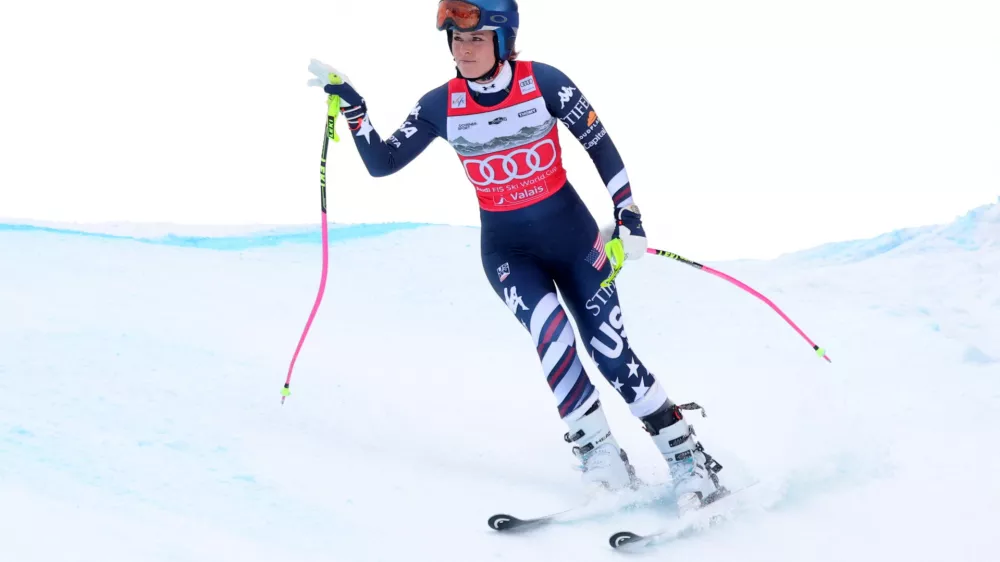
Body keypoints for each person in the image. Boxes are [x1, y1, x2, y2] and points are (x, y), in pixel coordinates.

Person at [308, 0, 726, 511]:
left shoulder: (544, 82)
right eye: (457, 40)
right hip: (508, 251)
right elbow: (383, 162)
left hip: (574, 241)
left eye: (476, 38)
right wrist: (355, 108)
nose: (464, 50)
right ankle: (600, 454)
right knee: (552, 337)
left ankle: (688, 458)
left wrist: (628, 213)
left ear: (503, 41)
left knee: (609, 351)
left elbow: (601, 146)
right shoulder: (440, 105)